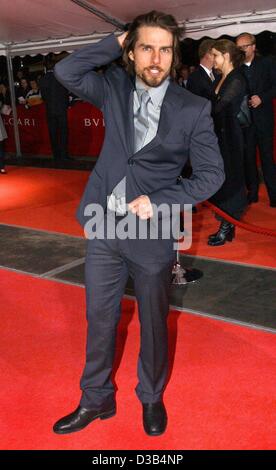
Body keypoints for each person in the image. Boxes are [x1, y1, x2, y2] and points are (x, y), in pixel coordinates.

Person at [53, 10, 224, 436]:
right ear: (132, 52)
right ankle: (96, 399)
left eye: (165, 50)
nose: (156, 58)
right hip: (105, 226)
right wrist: (115, 40)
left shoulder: (194, 108)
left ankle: (150, 397)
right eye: (146, 47)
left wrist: (162, 200)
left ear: (174, 55)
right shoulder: (112, 87)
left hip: (152, 233)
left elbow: (211, 174)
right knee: (100, 318)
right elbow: (65, 69)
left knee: (152, 320)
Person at [208, 39, 247, 246]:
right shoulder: (220, 78)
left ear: (226, 56)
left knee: (230, 180)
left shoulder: (236, 79)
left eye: (215, 55)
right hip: (219, 137)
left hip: (231, 137)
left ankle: (227, 226)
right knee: (220, 180)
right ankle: (225, 224)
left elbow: (219, 107)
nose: (212, 59)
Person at [236, 32, 276, 207]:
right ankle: (252, 193)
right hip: (245, 122)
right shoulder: (236, 68)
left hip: (264, 119)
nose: (241, 50)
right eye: (239, 47)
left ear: (253, 46)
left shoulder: (266, 63)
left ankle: (273, 194)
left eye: (244, 46)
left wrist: (262, 97)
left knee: (267, 158)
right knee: (249, 158)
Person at [39, 61, 70, 161]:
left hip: (50, 110)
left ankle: (56, 155)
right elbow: (66, 93)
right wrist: (66, 105)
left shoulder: (42, 79)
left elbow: (43, 97)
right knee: (63, 133)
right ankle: (63, 155)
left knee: (53, 133)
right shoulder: (60, 77)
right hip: (61, 109)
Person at [187, 39, 219, 103]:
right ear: (207, 54)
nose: (218, 58)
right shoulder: (194, 78)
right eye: (215, 55)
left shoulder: (217, 74)